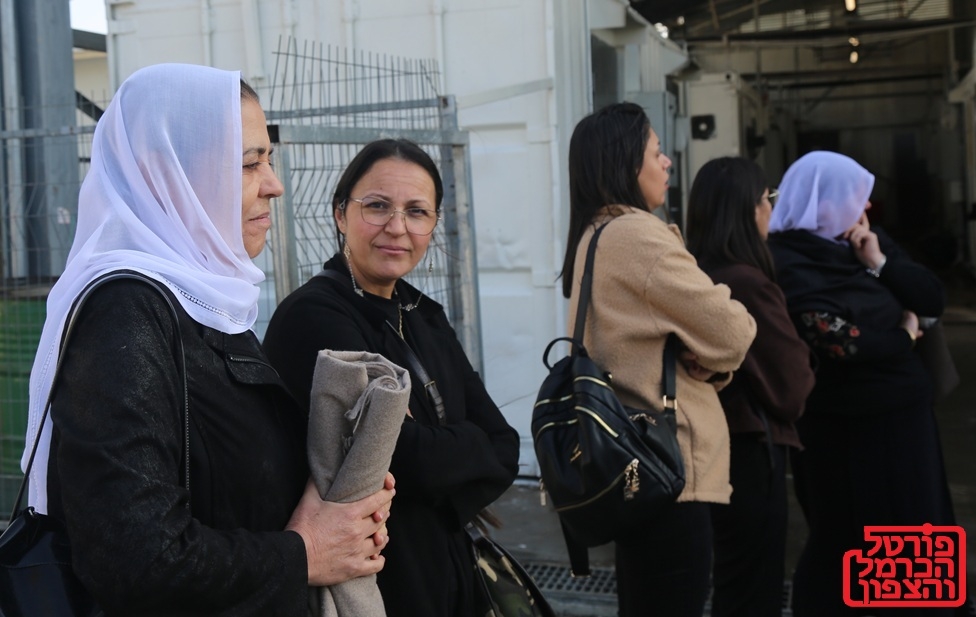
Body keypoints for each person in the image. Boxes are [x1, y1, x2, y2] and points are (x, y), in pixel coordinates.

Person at [24, 63, 394, 616]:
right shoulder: (125, 313)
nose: (274, 184)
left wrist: (336, 499)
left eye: (269, 159)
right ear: (168, 174)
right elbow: (137, 559)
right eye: (248, 164)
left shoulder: (203, 299)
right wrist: (308, 552)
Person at [262, 138, 521, 617]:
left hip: (448, 573)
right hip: (376, 585)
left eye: (417, 211)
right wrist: (467, 442)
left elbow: (505, 445)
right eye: (377, 206)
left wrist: (438, 451)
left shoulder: (423, 314)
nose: (397, 227)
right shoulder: (313, 318)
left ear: (434, 225)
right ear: (341, 214)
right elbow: (409, 458)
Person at [558, 102, 757, 617]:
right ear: (627, 163)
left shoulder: (592, 234)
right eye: (657, 151)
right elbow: (733, 332)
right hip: (668, 466)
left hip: (629, 461)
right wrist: (715, 358)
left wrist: (707, 357)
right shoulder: (638, 234)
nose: (667, 162)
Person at [766, 150, 958, 616]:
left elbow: (931, 297)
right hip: (839, 429)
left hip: (903, 423)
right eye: (856, 196)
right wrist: (904, 335)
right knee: (845, 539)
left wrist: (880, 263)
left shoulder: (865, 242)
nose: (867, 206)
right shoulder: (789, 262)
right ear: (824, 201)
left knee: (912, 532)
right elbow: (838, 341)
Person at [685, 156, 816, 616]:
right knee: (753, 585)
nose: (771, 209)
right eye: (767, 198)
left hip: (708, 446)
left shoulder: (696, 275)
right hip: (749, 448)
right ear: (745, 209)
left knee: (731, 576)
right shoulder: (749, 283)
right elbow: (792, 385)